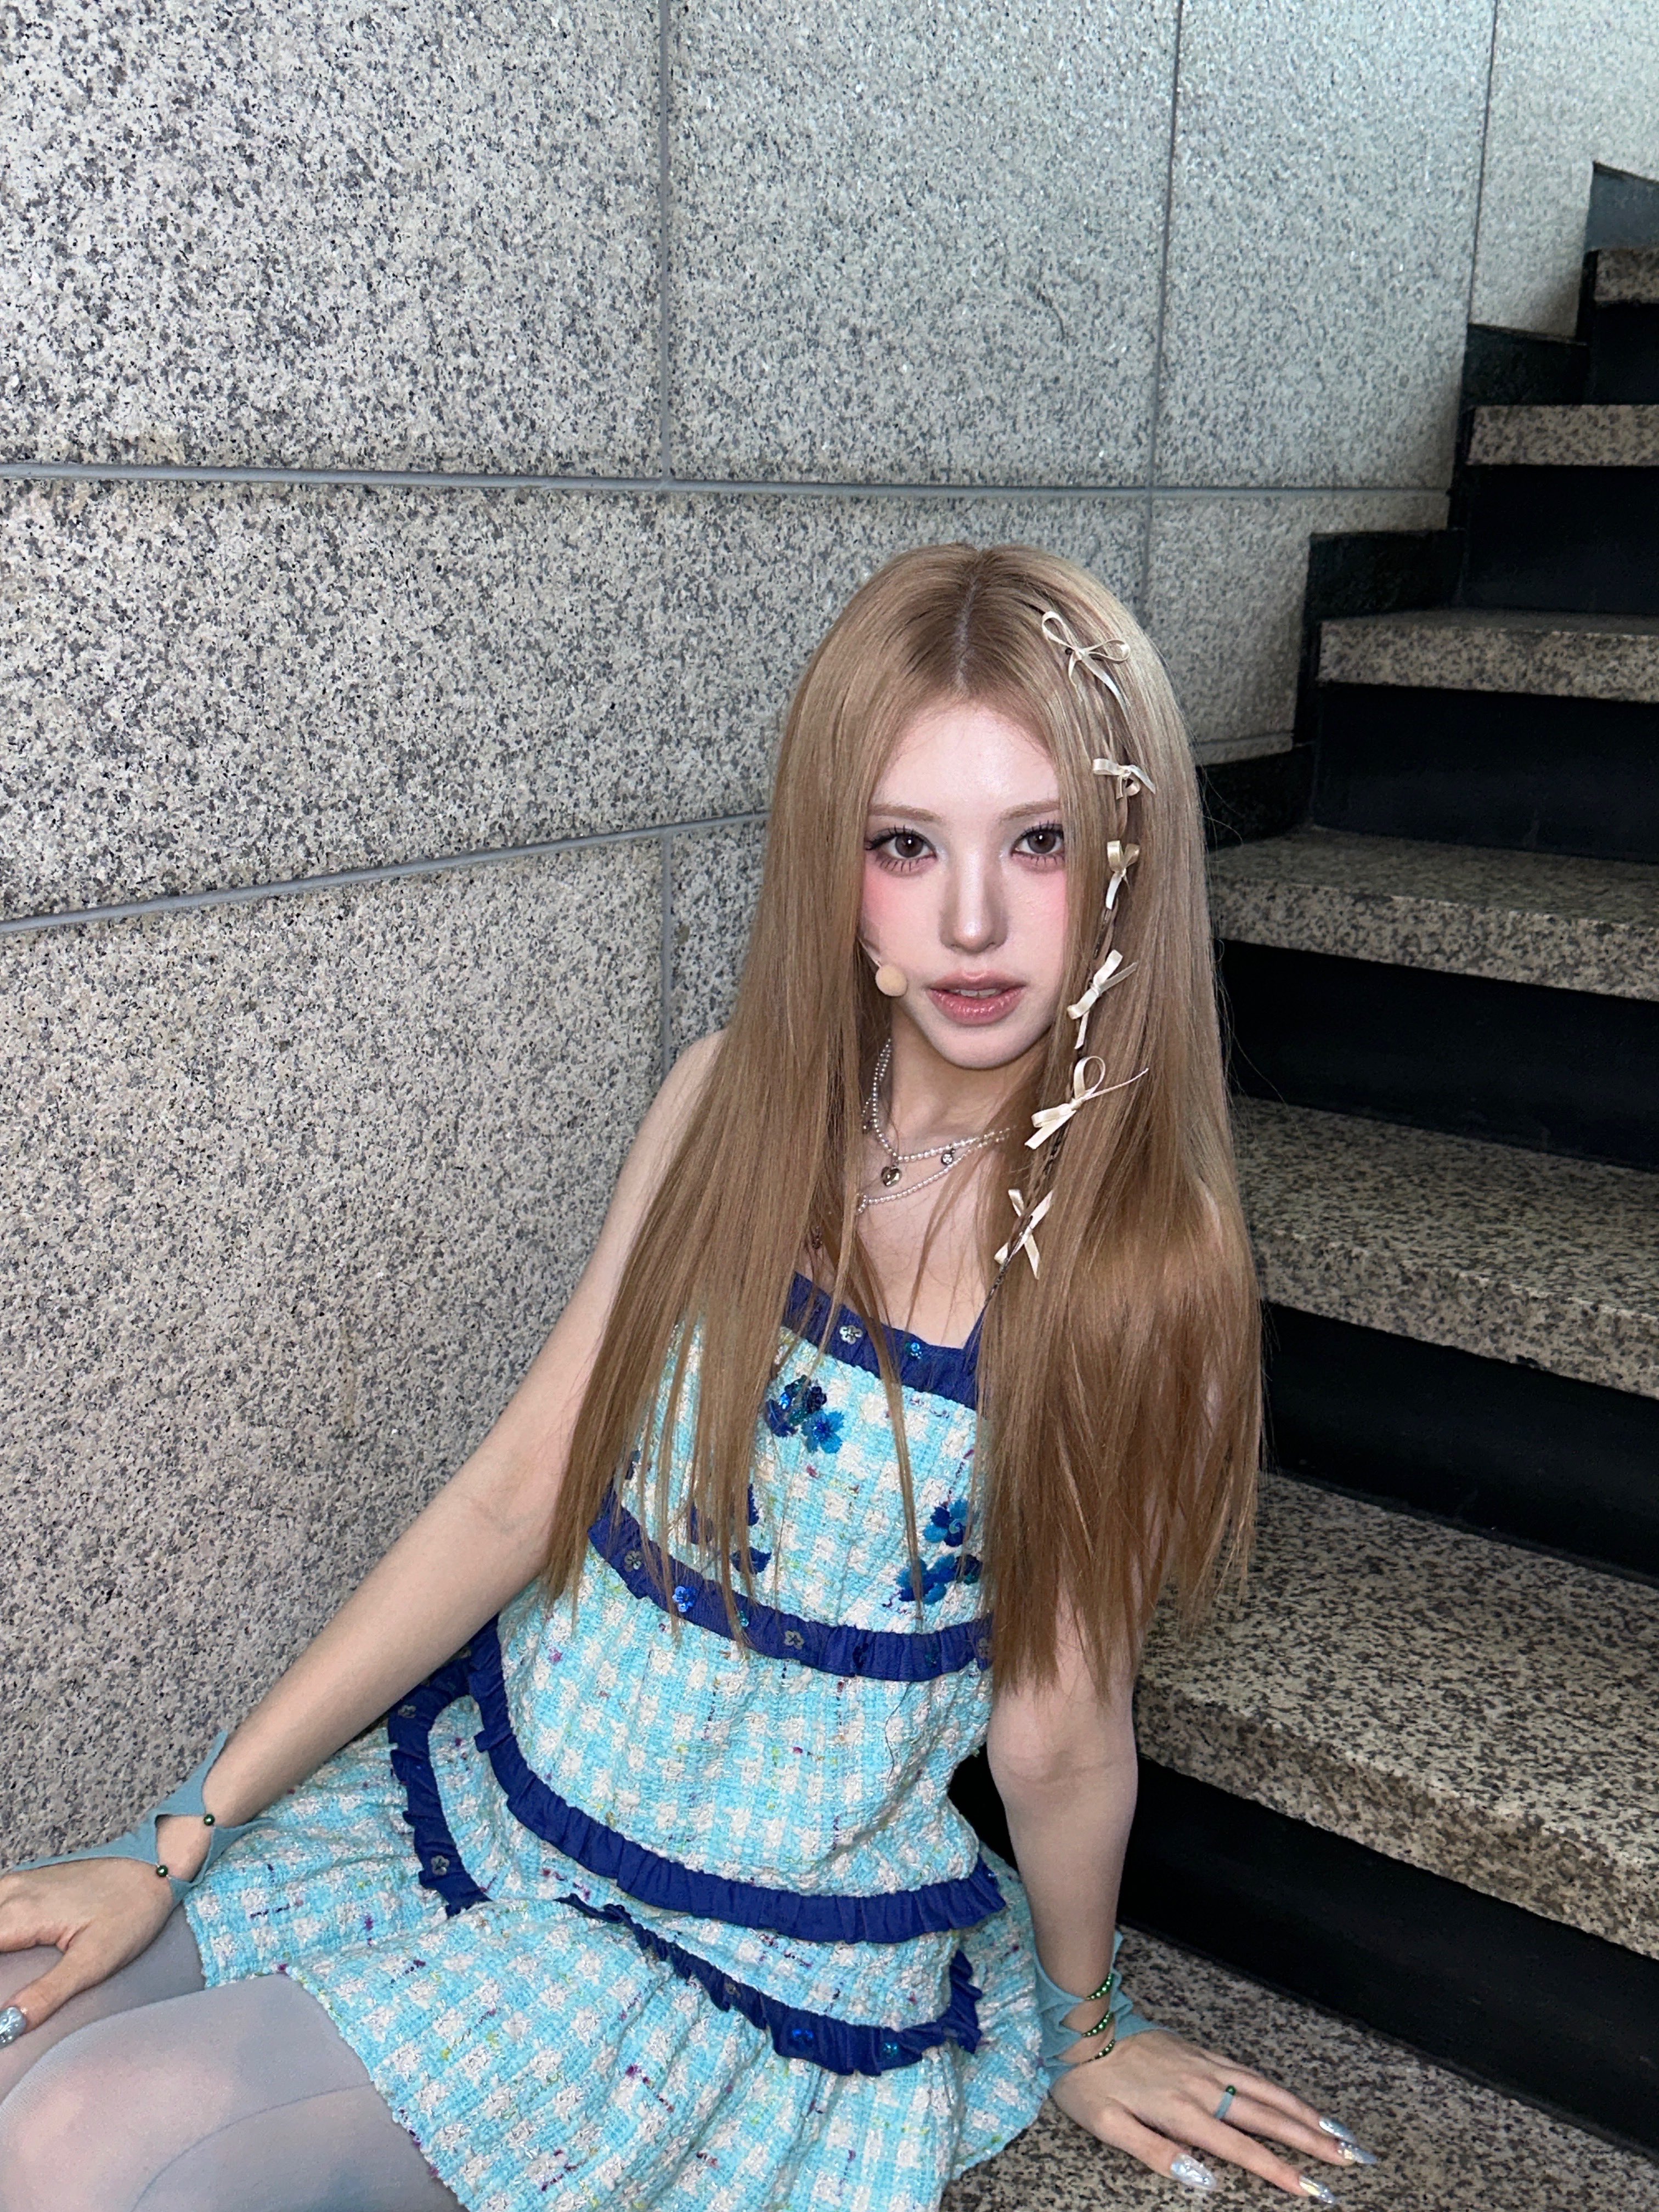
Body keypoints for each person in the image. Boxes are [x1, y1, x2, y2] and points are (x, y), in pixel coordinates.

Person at [0, 545, 1372, 2211]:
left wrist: (1083, 2030)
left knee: (77, 2143)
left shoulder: (1136, 1269)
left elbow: (1060, 1733)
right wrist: (180, 1834)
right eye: (905, 844)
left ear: (1130, 868)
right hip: (489, 1797)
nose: (970, 920)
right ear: (836, 869)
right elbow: (521, 1489)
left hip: (722, 1945)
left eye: (1041, 842)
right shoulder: (730, 1104)